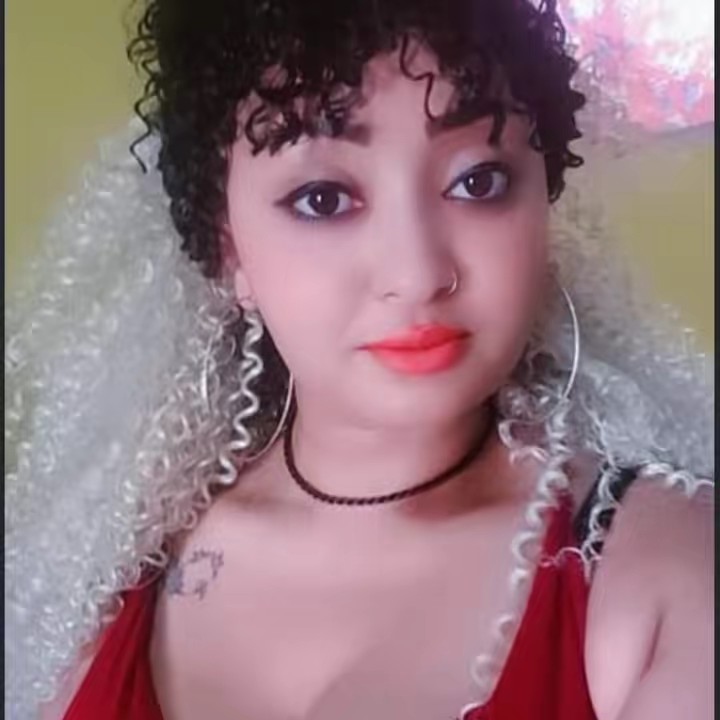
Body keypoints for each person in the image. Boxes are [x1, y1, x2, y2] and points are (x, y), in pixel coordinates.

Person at [5, 0, 713, 719]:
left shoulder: (664, 575)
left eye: (478, 181)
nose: (416, 272)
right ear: (228, 246)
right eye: (323, 198)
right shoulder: (107, 575)